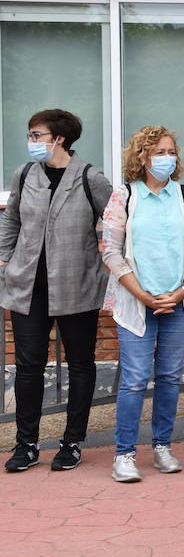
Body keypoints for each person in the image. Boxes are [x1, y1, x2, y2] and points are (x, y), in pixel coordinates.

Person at [0, 109, 113, 473]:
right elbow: (11, 218)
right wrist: (4, 260)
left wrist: (110, 264)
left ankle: (72, 442)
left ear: (59, 138)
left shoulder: (90, 177)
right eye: (30, 135)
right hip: (28, 287)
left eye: (37, 135)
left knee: (80, 363)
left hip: (76, 285)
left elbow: (115, 224)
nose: (31, 141)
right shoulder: (24, 174)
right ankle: (27, 444)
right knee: (28, 367)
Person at [100, 127, 184, 482]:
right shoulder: (124, 196)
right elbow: (110, 251)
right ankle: (124, 454)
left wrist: (182, 290)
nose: (167, 158)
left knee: (169, 378)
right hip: (137, 302)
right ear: (142, 156)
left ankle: (162, 447)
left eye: (171, 151)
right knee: (134, 381)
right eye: (159, 152)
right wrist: (142, 295)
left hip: (178, 302)